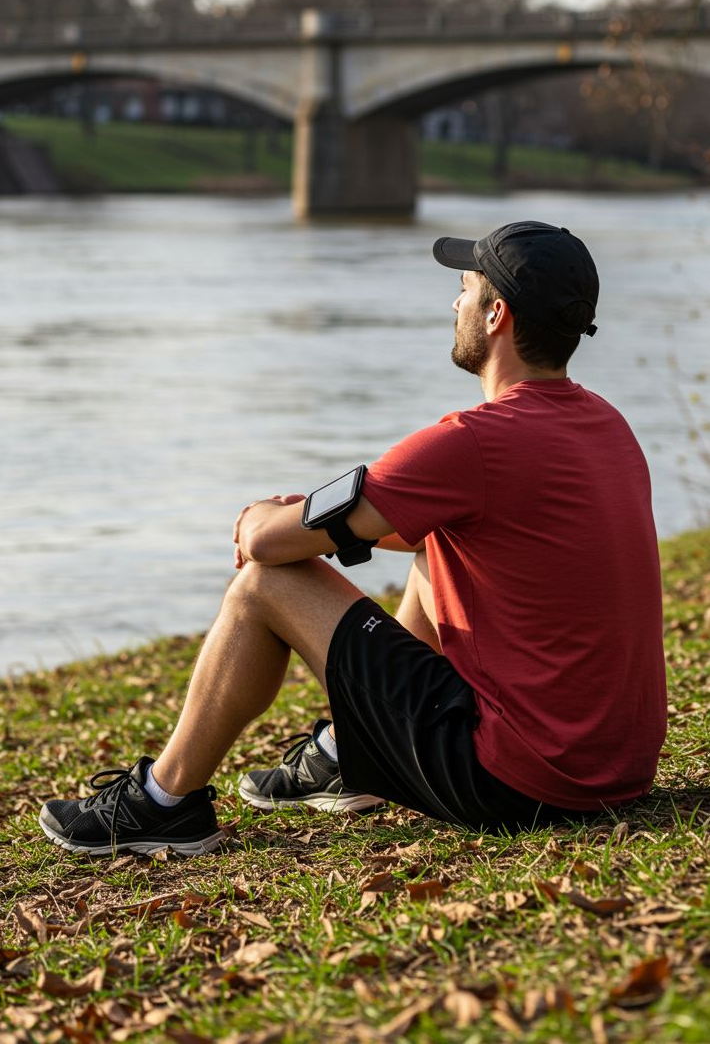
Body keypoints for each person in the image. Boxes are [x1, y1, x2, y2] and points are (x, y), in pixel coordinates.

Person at [39, 220, 667, 856]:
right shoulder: (607, 426)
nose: (455, 303)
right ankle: (348, 754)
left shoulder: (473, 442)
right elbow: (450, 529)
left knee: (264, 585)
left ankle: (163, 801)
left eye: (466, 287)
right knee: (435, 537)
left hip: (517, 781)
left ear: (496, 313)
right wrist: (318, 521)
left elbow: (265, 548)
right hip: (614, 770)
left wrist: (264, 515)